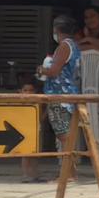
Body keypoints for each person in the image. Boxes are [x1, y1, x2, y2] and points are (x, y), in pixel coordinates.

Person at [37, 15, 82, 171]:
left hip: (60, 96)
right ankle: (69, 173)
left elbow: (54, 71)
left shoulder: (64, 46)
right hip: (70, 95)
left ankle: (69, 174)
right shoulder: (74, 46)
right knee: (65, 135)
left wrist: (42, 70)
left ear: (56, 29)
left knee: (64, 136)